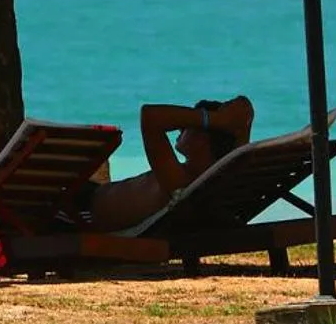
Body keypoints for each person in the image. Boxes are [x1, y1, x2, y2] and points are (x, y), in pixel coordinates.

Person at [82, 95, 255, 231]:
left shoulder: (180, 183)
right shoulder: (210, 181)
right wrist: (241, 125)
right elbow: (239, 149)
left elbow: (150, 116)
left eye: (188, 125)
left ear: (202, 140)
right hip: (86, 197)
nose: (180, 128)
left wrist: (217, 119)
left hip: (78, 212)